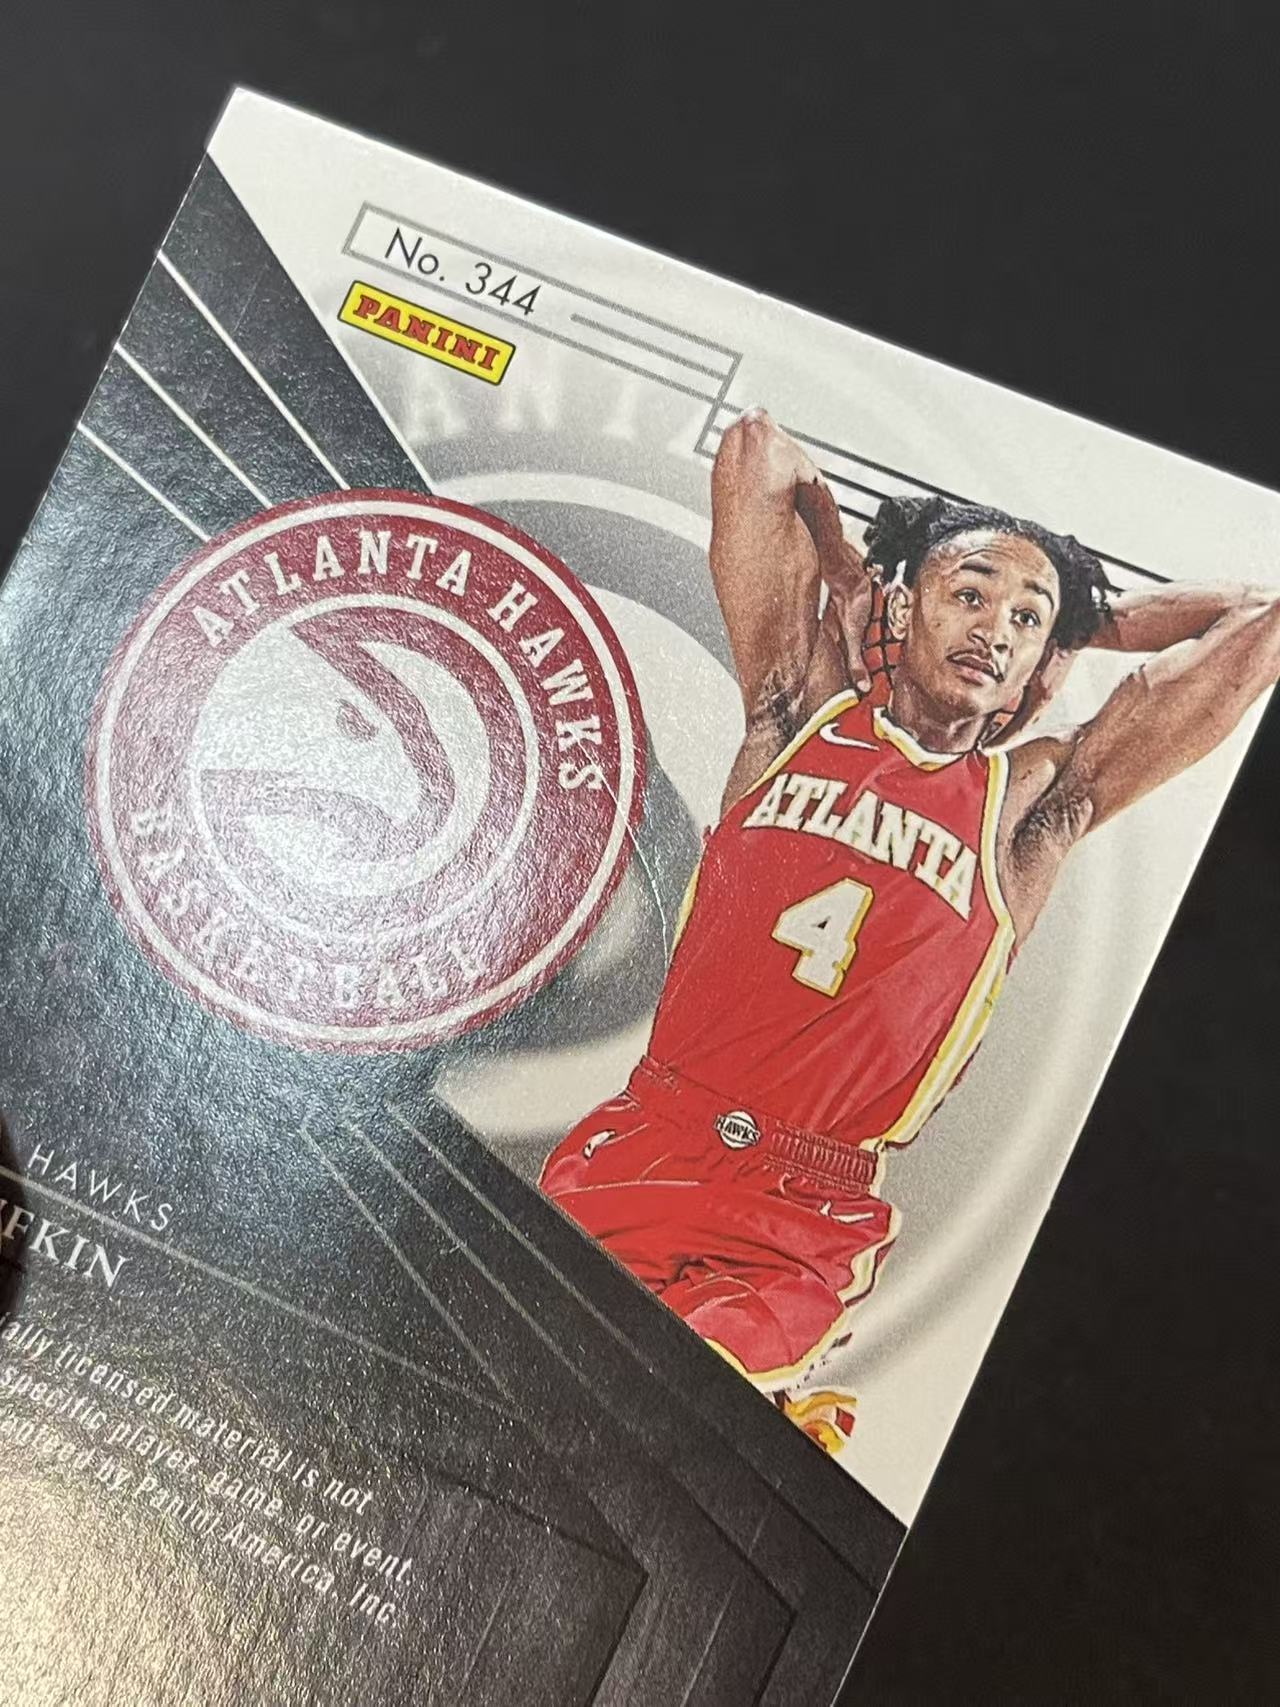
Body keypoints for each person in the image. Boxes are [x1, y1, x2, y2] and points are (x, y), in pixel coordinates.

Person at [540, 407, 1280, 1451]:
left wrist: (1085, 620)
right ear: (903, 604)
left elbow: (1262, 621)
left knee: (652, 1435)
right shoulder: (793, 711)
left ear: (1041, 662)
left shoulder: (1034, 805)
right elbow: (756, 451)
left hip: (800, 1217)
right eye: (969, 593)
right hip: (647, 1137)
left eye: (1024, 619)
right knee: (508, 1396)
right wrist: (847, 563)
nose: (994, 628)